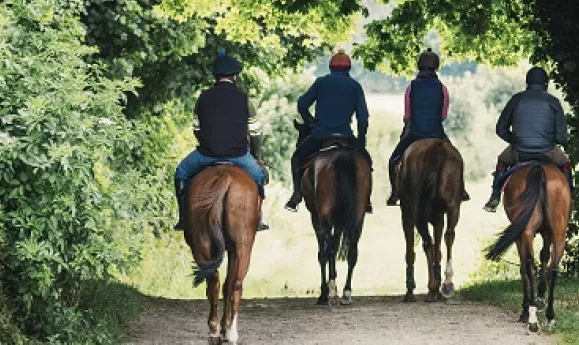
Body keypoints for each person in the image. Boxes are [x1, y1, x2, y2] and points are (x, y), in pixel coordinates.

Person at [174, 51, 270, 231]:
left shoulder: (203, 98)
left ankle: (183, 218)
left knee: (181, 172)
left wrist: (208, 143)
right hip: (239, 155)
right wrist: (256, 155)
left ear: (216, 76)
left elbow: (196, 129)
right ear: (234, 76)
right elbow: (256, 132)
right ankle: (258, 220)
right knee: (259, 177)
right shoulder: (244, 99)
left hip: (206, 155)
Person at [284, 50, 372, 212]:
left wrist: (309, 120)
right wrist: (361, 139)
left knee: (297, 158)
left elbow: (302, 104)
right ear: (348, 68)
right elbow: (363, 117)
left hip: (320, 135)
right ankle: (366, 200)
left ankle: (296, 195)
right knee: (367, 162)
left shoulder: (321, 83)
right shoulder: (355, 86)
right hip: (346, 135)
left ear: (331, 67)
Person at [484, 66, 572, 212]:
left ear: (527, 83)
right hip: (547, 151)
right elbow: (562, 137)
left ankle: (495, 196)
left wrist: (515, 140)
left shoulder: (516, 99)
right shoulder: (553, 101)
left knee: (502, 161)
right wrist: (548, 139)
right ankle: (571, 199)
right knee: (566, 163)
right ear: (546, 84)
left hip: (519, 151)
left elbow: (500, 129)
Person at [385, 49, 451, 206]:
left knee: (393, 160)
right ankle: (461, 190)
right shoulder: (442, 88)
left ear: (419, 65)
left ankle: (394, 193)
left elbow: (408, 115)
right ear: (436, 66)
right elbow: (443, 115)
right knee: (456, 158)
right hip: (436, 133)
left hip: (414, 133)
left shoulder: (411, 87)